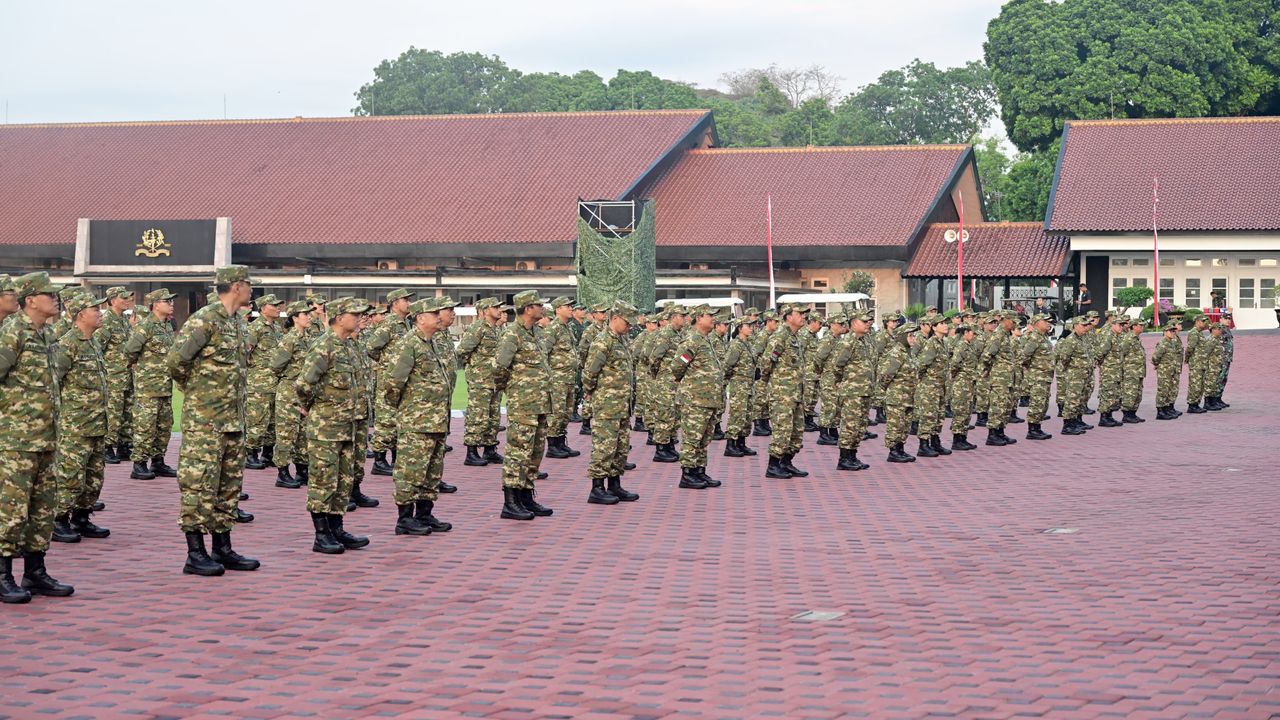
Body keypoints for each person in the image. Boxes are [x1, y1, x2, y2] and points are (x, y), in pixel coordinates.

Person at [167, 265, 260, 576]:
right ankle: (195, 553)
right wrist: (197, 393)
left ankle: (223, 547)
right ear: (235, 286)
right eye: (248, 284)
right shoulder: (204, 320)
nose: (251, 289)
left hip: (233, 420)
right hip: (205, 421)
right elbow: (177, 362)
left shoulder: (236, 323)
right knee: (199, 485)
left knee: (228, 486)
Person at [0, 272, 76, 603]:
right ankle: (3, 575)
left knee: (42, 509)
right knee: (10, 510)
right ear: (31, 299)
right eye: (50, 294)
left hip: (46, 438)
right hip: (16, 439)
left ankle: (35, 571)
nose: (55, 299)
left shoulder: (45, 334)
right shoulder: (13, 331)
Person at [294, 297, 372, 554]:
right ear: (339, 317)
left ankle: (337, 528)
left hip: (348, 425)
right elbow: (304, 384)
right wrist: (312, 407)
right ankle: (321, 534)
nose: (361, 318)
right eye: (355, 313)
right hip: (326, 426)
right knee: (323, 479)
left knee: (342, 479)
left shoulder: (350, 346)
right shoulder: (324, 346)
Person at [384, 298, 454, 536]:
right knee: (411, 471)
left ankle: (424, 514)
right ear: (420, 318)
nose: (438, 316)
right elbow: (393, 383)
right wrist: (408, 409)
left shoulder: (430, 343)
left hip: (436, 420)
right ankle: (405, 519)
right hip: (417, 421)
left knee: (431, 471)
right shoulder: (409, 344)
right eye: (433, 313)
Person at [50, 293, 111, 544]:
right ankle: (58, 520)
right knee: (70, 475)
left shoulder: (93, 342)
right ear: (79, 315)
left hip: (97, 422)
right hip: (75, 425)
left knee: (94, 475)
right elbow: (53, 384)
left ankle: (82, 517)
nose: (100, 313)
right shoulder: (66, 345)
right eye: (94, 309)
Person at [494, 291, 554, 520]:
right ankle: (511, 502)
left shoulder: (536, 332)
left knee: (535, 452)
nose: (542, 309)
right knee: (518, 452)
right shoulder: (513, 335)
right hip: (523, 404)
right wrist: (512, 391)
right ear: (527, 309)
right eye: (539, 305)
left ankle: (527, 497)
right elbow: (499, 368)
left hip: (540, 403)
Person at [581, 301, 641, 503]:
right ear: (615, 319)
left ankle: (615, 484)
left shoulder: (622, 340)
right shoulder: (602, 342)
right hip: (607, 404)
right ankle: (597, 487)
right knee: (604, 447)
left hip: (623, 404)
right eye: (627, 322)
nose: (630, 326)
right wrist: (591, 392)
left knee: (620, 446)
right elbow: (590, 372)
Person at [122, 288, 178, 481]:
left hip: (165, 386)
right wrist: (142, 369)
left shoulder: (167, 326)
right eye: (167, 301)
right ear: (155, 305)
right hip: (149, 387)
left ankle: (158, 461)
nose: (171, 305)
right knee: (146, 426)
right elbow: (130, 351)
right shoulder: (146, 326)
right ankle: (139, 464)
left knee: (164, 425)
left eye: (171, 302)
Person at [671, 305, 725, 489]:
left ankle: (699, 471)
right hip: (695, 400)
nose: (713, 319)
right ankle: (687, 474)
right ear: (699, 318)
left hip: (708, 400)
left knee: (704, 438)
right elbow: (678, 366)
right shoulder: (691, 341)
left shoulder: (705, 340)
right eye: (710, 315)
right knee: (693, 438)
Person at [364, 288, 415, 476]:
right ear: (395, 303)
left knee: (399, 419)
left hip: (403, 379)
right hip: (388, 378)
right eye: (405, 300)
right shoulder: (389, 324)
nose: (409, 303)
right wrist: (386, 364)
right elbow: (371, 348)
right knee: (386, 419)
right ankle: (379, 460)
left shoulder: (407, 324)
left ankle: (395, 458)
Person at [760, 304, 808, 478]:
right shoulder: (780, 337)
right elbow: (766, 363)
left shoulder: (794, 337)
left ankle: (786, 463)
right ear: (788, 317)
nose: (803, 317)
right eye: (800, 313)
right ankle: (773, 466)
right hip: (782, 394)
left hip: (795, 393)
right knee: (782, 430)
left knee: (796, 432)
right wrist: (772, 383)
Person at [270, 300, 314, 488]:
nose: (309, 317)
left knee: (303, 433)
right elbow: (275, 365)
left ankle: (302, 470)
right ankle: (282, 472)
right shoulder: (290, 339)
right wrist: (289, 378)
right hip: (289, 390)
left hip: (303, 391)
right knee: (287, 433)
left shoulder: (307, 338)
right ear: (295, 317)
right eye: (305, 314)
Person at [457, 297, 506, 466]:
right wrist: (476, 367)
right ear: (485, 311)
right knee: (478, 415)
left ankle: (490, 449)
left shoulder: (496, 329)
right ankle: (471, 452)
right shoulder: (478, 328)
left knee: (493, 416)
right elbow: (463, 350)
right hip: (480, 380)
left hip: (494, 380)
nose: (499, 310)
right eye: (495, 307)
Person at [244, 294, 285, 471]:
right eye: (273, 305)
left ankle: (268, 453)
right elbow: (245, 353)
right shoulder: (255, 328)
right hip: (259, 383)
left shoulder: (276, 328)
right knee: (257, 419)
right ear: (262, 308)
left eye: (278, 305)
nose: (278, 308)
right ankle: (251, 453)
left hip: (275, 381)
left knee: (273, 421)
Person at [95, 286, 135, 465]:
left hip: (126, 374)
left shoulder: (125, 321)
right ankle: (107, 447)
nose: (127, 300)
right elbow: (98, 348)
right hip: (113, 376)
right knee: (113, 412)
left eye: (128, 297)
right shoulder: (107, 321)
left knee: (127, 411)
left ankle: (124, 445)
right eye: (123, 297)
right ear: (112, 301)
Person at [831, 312, 876, 470]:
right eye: (863, 321)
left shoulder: (863, 341)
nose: (867, 324)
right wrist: (844, 383)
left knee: (860, 425)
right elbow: (837, 365)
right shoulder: (848, 342)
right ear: (853, 323)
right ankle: (844, 458)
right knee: (850, 425)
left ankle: (852, 455)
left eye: (868, 322)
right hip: (852, 392)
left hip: (863, 390)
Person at [645, 305, 686, 462]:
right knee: (664, 414)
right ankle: (660, 449)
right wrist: (658, 375)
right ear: (674, 317)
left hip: (674, 382)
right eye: (681, 316)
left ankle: (669, 446)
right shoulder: (666, 334)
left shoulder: (677, 334)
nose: (684, 319)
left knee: (673, 415)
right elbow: (654, 358)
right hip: (665, 381)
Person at [542, 297, 582, 460]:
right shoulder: (553, 329)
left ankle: (560, 442)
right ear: (558, 309)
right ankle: (552, 445)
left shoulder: (567, 328)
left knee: (565, 412)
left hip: (568, 377)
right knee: (557, 412)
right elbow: (544, 352)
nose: (571, 309)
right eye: (568, 306)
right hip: (557, 378)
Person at [878, 322, 918, 462]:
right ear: (902, 337)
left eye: (914, 336)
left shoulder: (908, 353)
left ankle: (900, 449)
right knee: (895, 425)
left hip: (908, 396)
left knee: (905, 424)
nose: (914, 339)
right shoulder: (896, 353)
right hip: (897, 396)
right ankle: (893, 451)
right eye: (911, 336)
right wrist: (888, 390)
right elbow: (885, 375)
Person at [980, 311, 1019, 446]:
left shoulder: (1005, 335)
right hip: (999, 377)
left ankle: (1000, 432)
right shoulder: (998, 335)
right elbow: (987, 355)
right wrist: (990, 371)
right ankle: (992, 434)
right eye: (1013, 321)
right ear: (1006, 320)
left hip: (1007, 377)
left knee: (1005, 405)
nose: (1014, 324)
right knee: (997, 405)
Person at [722, 317, 758, 458]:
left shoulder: (747, 344)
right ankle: (731, 445)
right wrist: (728, 381)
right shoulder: (736, 345)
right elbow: (727, 365)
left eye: (751, 325)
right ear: (739, 328)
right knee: (737, 415)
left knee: (747, 416)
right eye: (747, 325)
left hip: (748, 385)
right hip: (739, 384)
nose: (751, 328)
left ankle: (741, 443)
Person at [1056, 317, 1096, 435]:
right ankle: (1068, 425)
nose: (1085, 328)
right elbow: (1064, 358)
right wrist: (1072, 369)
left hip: (1084, 375)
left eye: (1086, 325)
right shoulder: (1070, 340)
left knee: (1080, 399)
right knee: (1072, 400)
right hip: (1075, 375)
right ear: (1075, 326)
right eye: (1083, 326)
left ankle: (1077, 421)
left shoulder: (1082, 339)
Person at [1018, 313, 1056, 440]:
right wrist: (1032, 369)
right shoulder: (1034, 338)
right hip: (1038, 376)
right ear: (1036, 323)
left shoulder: (1043, 337)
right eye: (1045, 321)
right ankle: (1032, 429)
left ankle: (1037, 427)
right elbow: (1023, 357)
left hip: (1045, 376)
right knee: (1037, 402)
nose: (1048, 323)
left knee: (1043, 403)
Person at [814, 313, 847, 446]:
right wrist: (821, 373)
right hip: (829, 378)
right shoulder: (827, 340)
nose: (843, 327)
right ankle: (823, 433)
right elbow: (818, 359)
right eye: (840, 324)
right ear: (832, 325)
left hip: (837, 378)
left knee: (836, 406)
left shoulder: (838, 340)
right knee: (829, 406)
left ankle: (833, 431)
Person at [575, 303, 608, 436]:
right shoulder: (590, 330)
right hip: (592, 366)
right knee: (589, 395)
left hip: (604, 368)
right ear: (594, 315)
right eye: (601, 312)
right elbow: (582, 350)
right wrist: (586, 365)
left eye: (605, 312)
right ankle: (586, 423)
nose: (604, 314)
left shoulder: (606, 329)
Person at [947, 322, 980, 450]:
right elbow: (954, 364)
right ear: (965, 333)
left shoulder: (970, 346)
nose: (974, 336)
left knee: (967, 412)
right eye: (972, 333)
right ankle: (957, 439)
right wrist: (958, 377)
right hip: (962, 383)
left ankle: (963, 438)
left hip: (969, 383)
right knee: (960, 411)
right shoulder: (961, 346)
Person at [1151, 321, 1183, 419]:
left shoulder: (1172, 342)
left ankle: (1167, 409)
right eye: (1170, 331)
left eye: (1174, 331)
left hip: (1172, 370)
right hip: (1164, 371)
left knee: (1171, 389)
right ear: (1165, 332)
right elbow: (1155, 357)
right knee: (1163, 390)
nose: (1173, 333)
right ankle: (1160, 411)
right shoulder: (1163, 343)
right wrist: (1159, 365)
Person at [1120, 318, 1148, 423]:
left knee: (1137, 393)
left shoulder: (1136, 338)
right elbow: (1122, 354)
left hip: (1139, 371)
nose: (1142, 327)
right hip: (1131, 371)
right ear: (1134, 326)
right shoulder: (1128, 339)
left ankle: (1133, 413)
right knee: (1130, 393)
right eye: (1140, 325)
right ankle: (1126, 414)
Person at [1184, 314, 1210, 413]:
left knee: (1200, 384)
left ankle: (1196, 404)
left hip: (1201, 363)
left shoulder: (1199, 333)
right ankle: (1192, 405)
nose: (1204, 323)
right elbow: (1190, 348)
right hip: (1196, 363)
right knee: (1195, 384)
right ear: (1197, 321)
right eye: (1203, 321)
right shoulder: (1194, 333)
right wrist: (1187, 359)